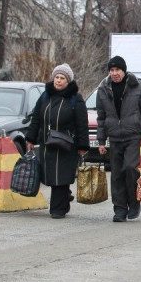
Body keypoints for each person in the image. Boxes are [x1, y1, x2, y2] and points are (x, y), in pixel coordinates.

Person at [25, 63, 89, 219]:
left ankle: (58, 209)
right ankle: (64, 197)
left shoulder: (75, 99)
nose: (58, 80)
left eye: (62, 78)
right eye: (57, 77)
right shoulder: (45, 96)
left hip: (66, 145)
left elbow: (82, 124)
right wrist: (30, 138)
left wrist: (82, 145)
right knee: (50, 175)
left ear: (68, 81)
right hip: (47, 143)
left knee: (61, 175)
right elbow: (36, 118)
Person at [96, 56, 141, 222]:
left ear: (124, 70)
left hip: (133, 135)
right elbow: (101, 117)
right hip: (114, 137)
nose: (115, 73)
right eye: (112, 70)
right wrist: (101, 141)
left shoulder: (140, 87)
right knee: (116, 175)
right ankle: (120, 209)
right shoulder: (103, 89)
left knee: (129, 168)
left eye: (118, 70)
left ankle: (134, 203)